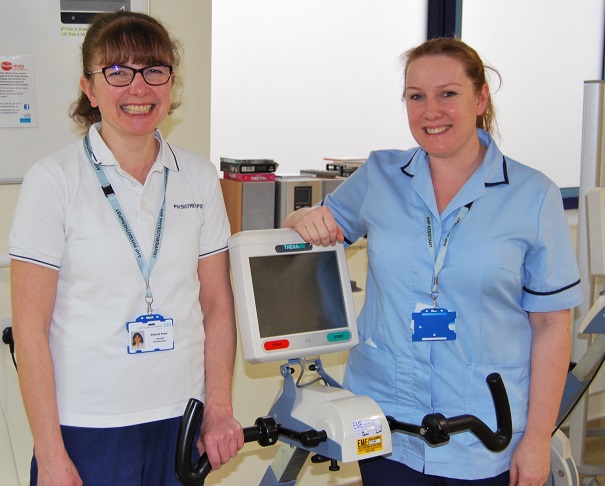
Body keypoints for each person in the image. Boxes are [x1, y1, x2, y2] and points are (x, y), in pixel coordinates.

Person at [286, 37, 582, 486]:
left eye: (448, 94)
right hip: (387, 420)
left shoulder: (533, 195)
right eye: (416, 97)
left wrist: (539, 438)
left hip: (484, 429)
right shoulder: (380, 175)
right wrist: (302, 215)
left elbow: (553, 325)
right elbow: (319, 227)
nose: (431, 111)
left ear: (480, 98)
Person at [9, 10, 243, 485]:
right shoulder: (52, 180)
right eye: (116, 71)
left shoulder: (197, 176)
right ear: (89, 89)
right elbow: (30, 331)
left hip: (181, 415)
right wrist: (50, 454)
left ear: (171, 84)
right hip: (86, 424)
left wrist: (219, 407)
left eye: (153, 70)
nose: (138, 88)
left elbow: (217, 303)